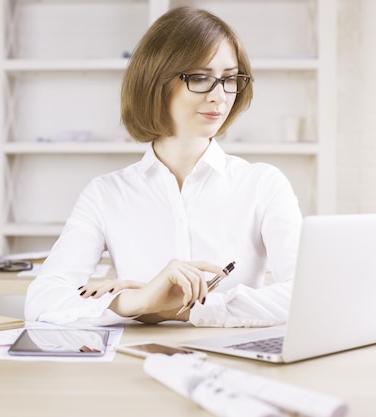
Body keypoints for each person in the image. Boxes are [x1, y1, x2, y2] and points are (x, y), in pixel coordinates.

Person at [24, 6, 303, 327]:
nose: (219, 96)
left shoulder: (263, 184)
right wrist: (135, 301)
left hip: (234, 359)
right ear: (156, 81)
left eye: (229, 79)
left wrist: (185, 308)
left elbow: (306, 294)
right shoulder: (106, 194)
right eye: (200, 77)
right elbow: (43, 298)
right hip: (134, 361)